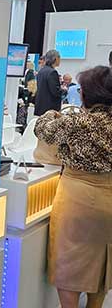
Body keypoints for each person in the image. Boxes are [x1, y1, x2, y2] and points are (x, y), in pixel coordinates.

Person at [34, 65, 112, 308]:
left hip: (78, 199)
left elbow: (43, 130)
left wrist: (49, 114)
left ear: (87, 94)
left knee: (70, 262)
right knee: (104, 259)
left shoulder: (77, 123)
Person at [35, 50, 64, 116]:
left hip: (41, 107)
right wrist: (63, 90)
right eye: (59, 58)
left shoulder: (41, 71)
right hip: (50, 109)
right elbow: (55, 92)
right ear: (56, 59)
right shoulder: (52, 72)